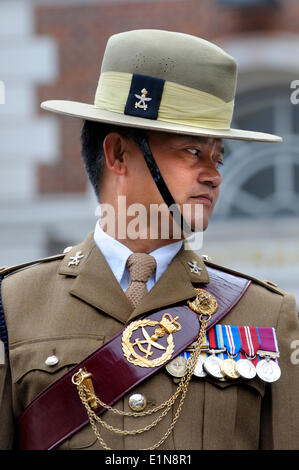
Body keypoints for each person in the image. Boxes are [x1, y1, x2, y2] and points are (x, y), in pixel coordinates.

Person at [0, 29, 298, 451]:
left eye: (219, 157)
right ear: (118, 154)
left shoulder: (267, 313)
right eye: (193, 152)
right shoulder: (13, 305)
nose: (214, 174)